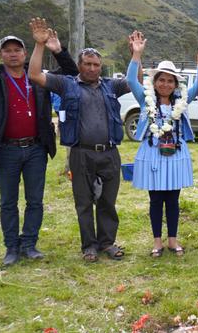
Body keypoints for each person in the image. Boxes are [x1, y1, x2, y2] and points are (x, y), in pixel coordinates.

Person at [0, 29, 77, 266]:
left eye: (17, 50)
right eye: (7, 51)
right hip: (6, 150)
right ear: (0, 55)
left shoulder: (38, 76)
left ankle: (29, 244)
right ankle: (11, 247)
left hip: (35, 149)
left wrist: (58, 50)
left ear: (25, 53)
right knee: (8, 201)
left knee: (35, 201)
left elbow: (71, 73)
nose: (12, 54)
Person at [27, 17, 131, 263]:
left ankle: (107, 242)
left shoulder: (110, 86)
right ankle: (89, 246)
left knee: (107, 201)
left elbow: (134, 82)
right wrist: (40, 45)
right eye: (87, 64)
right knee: (83, 202)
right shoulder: (66, 85)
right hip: (81, 153)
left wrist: (134, 55)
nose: (92, 68)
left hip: (109, 152)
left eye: (96, 64)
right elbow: (33, 74)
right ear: (80, 65)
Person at [125, 31, 196, 257]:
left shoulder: (181, 101)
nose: (165, 84)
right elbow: (129, 80)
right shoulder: (145, 100)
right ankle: (157, 241)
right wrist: (136, 54)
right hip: (153, 154)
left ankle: (173, 240)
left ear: (176, 84)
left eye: (170, 80)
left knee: (173, 200)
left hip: (175, 154)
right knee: (155, 199)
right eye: (161, 79)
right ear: (154, 82)